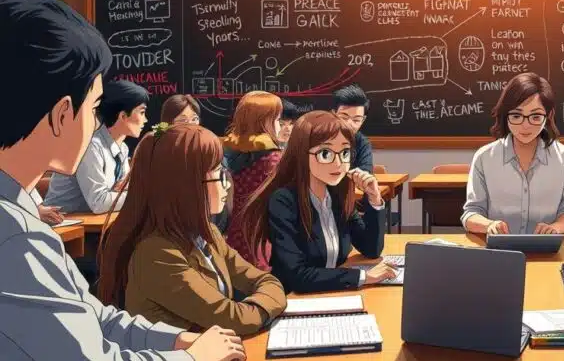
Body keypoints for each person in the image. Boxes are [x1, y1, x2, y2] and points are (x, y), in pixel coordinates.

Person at [0, 0, 243, 361]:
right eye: (95, 109)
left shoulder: (19, 213)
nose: (96, 123)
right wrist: (191, 360)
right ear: (61, 113)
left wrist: (175, 340)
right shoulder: (15, 237)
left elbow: (93, 317)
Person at [97, 123, 286, 336]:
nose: (227, 184)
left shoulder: (208, 234)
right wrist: (268, 304)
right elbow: (233, 319)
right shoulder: (156, 254)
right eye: (218, 174)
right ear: (185, 185)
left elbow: (265, 280)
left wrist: (260, 303)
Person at [242, 111, 396, 293]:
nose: (338, 163)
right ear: (301, 153)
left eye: (345, 152)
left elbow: (371, 249)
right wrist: (364, 277)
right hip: (295, 298)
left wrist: (374, 199)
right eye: (325, 153)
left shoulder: (337, 195)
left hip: (333, 292)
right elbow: (297, 276)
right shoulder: (284, 201)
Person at [462, 72, 564, 235]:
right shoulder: (484, 157)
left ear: (548, 116)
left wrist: (556, 228)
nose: (525, 125)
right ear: (506, 115)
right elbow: (472, 212)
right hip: (499, 248)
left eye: (535, 116)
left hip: (548, 247)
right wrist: (489, 225)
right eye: (516, 116)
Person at [46, 79, 149, 214]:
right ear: (123, 116)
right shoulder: (90, 146)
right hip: (65, 222)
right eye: (142, 112)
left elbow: (122, 189)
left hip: (92, 220)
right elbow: (99, 203)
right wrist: (141, 195)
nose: (145, 120)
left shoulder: (122, 148)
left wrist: (127, 190)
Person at [222, 90, 284, 270]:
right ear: (264, 122)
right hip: (263, 237)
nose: (280, 126)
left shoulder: (229, 152)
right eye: (277, 120)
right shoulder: (273, 160)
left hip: (235, 234)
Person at [331, 84, 373, 173]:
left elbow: (366, 172)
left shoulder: (362, 143)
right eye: (344, 117)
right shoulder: (319, 138)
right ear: (333, 114)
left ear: (363, 120)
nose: (349, 124)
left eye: (356, 120)